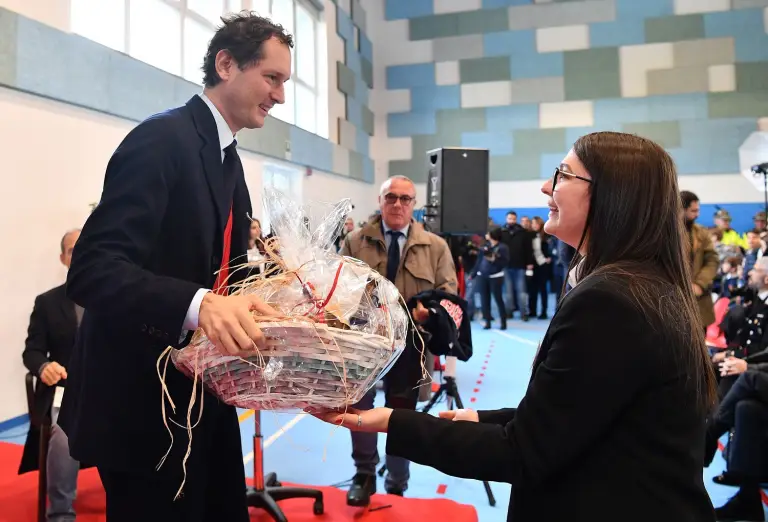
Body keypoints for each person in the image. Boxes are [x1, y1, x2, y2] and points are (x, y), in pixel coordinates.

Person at [310, 132, 718, 522]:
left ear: (614, 195)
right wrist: (482, 419)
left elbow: (524, 451)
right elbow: (574, 415)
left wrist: (391, 422)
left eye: (562, 175)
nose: (545, 187)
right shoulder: (632, 285)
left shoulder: (611, 301)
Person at [58, 13, 291, 521]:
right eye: (271, 78)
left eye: (285, 82)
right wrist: (199, 305)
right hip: (142, 407)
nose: (280, 96)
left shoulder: (228, 161)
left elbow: (224, 273)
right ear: (226, 64)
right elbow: (93, 269)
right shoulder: (162, 140)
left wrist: (294, 301)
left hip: (202, 394)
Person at [339, 175, 457, 506]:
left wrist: (429, 314)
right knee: (359, 407)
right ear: (380, 201)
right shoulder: (355, 240)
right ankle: (364, 473)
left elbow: (450, 297)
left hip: (412, 346)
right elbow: (338, 289)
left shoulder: (436, 247)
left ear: (414, 205)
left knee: (401, 413)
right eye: (391, 197)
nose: (398, 204)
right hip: (363, 344)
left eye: (405, 199)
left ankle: (397, 480)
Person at [19, 229, 82, 522]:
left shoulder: (114, 299)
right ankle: (60, 513)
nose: (80, 252)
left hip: (108, 388)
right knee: (64, 433)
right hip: (64, 390)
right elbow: (31, 352)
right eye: (72, 249)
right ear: (63, 258)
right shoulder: (47, 302)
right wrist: (44, 368)